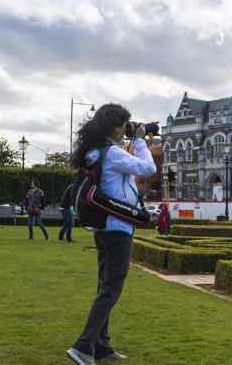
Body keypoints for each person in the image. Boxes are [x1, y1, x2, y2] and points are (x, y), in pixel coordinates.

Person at [67, 103, 156, 365]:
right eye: (124, 125)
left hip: (103, 226)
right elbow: (148, 169)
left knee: (104, 286)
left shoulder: (93, 152)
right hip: (118, 228)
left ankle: (101, 346)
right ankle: (83, 346)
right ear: (114, 126)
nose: (125, 130)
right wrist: (140, 142)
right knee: (111, 289)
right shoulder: (113, 153)